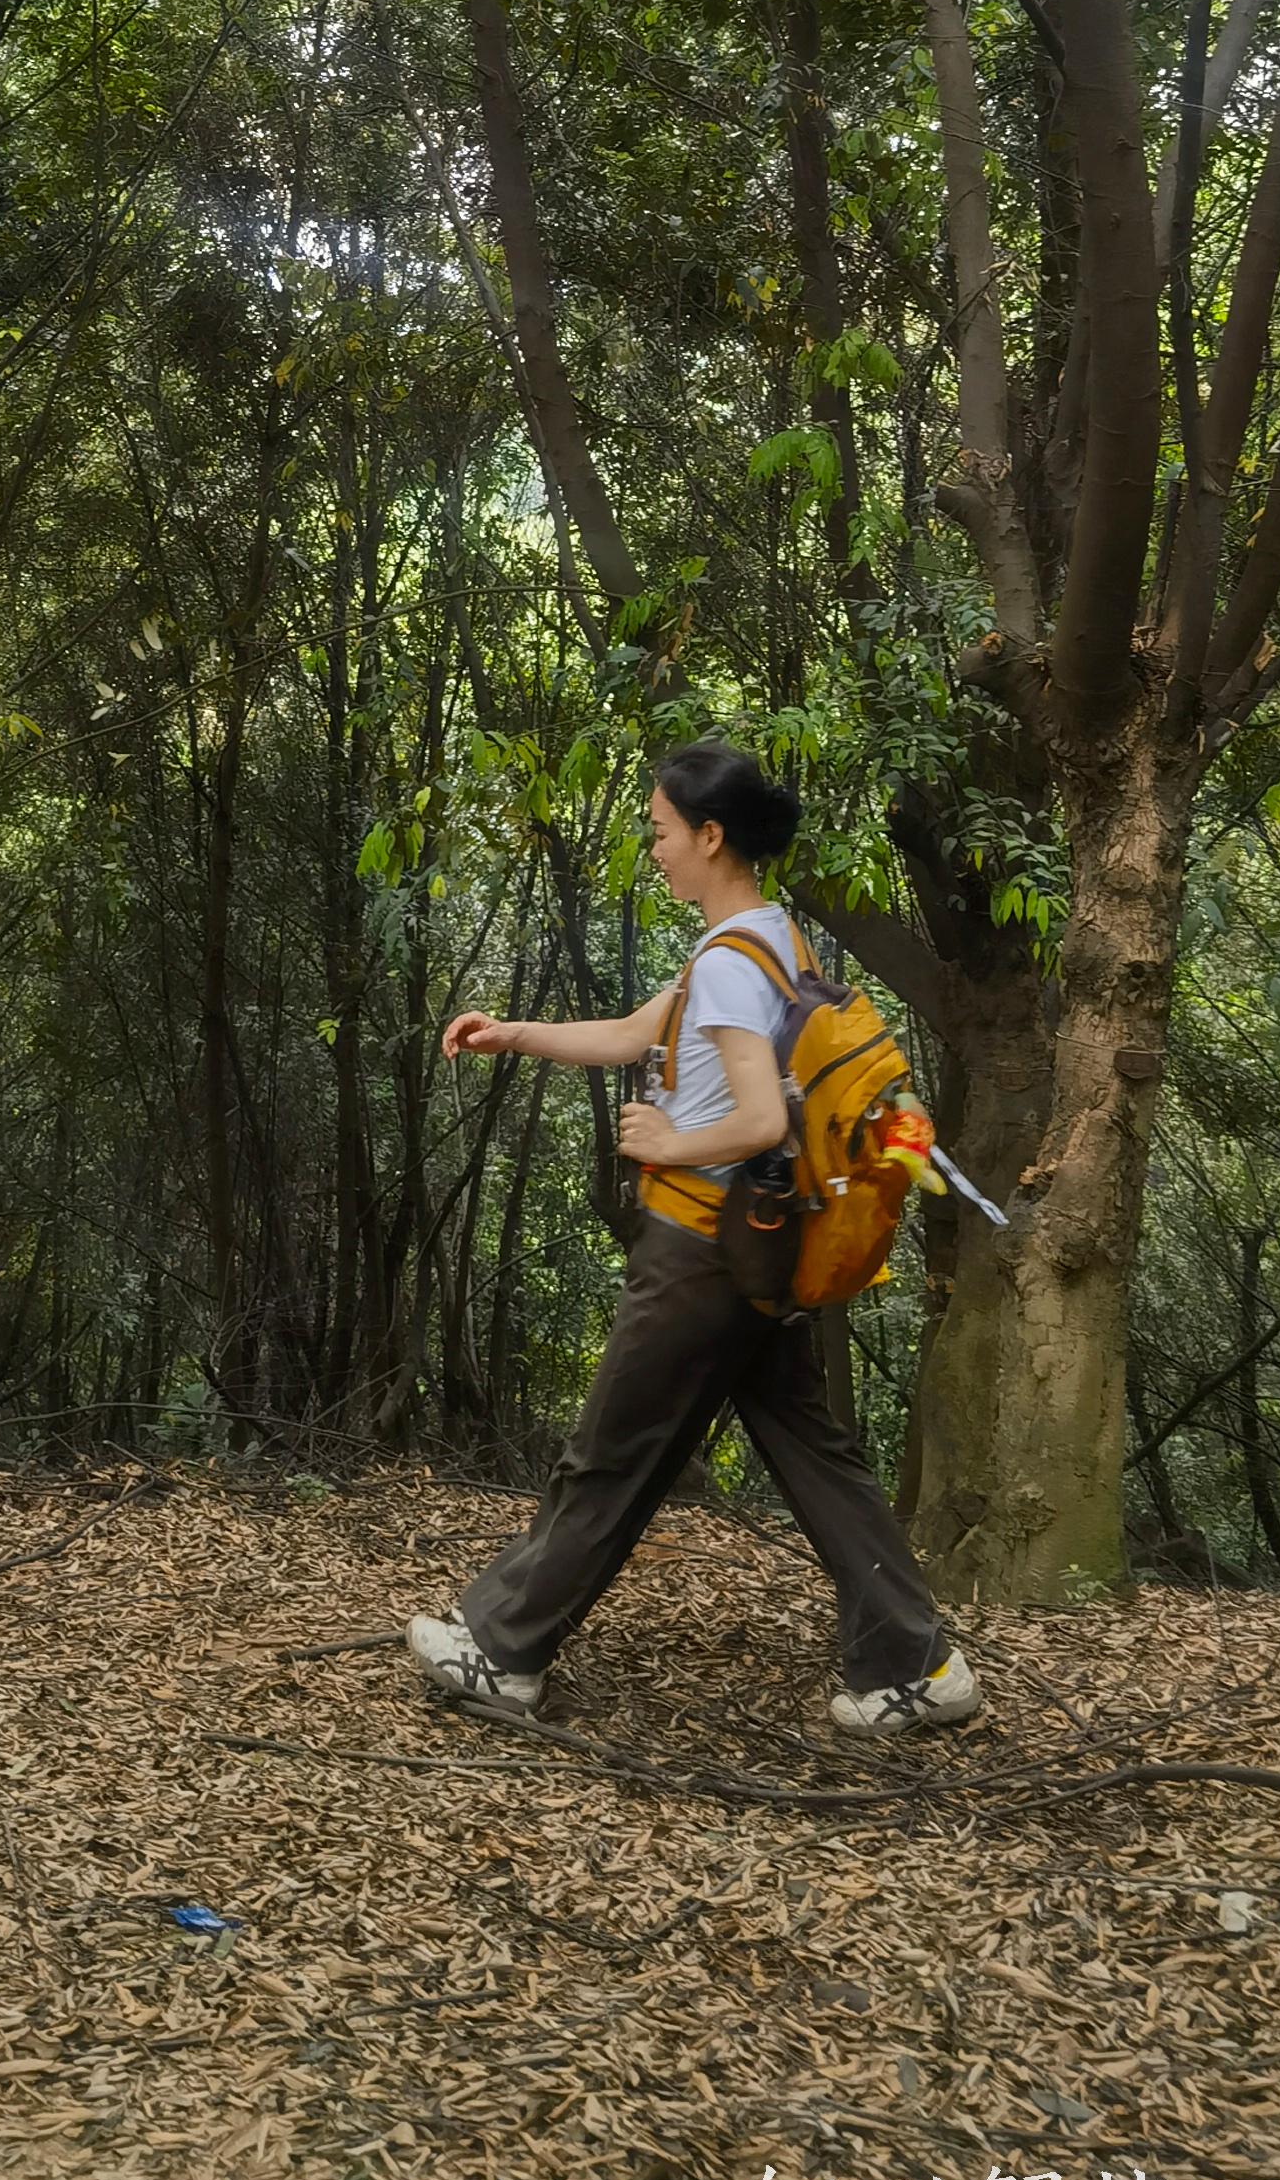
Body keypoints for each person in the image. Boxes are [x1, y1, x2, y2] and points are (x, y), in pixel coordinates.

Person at [406, 740, 979, 1739]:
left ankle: (503, 1652)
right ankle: (919, 1664)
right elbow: (636, 1034)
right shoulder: (768, 940)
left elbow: (758, 1118)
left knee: (610, 1453)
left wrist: (667, 1140)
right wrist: (511, 1033)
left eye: (663, 831)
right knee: (816, 1454)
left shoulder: (728, 964)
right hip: (761, 1244)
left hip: (702, 1251)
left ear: (711, 836)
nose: (656, 848)